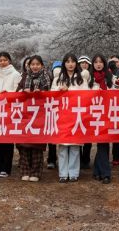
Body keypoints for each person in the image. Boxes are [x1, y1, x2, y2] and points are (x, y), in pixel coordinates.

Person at [51, 53, 90, 182]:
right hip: (62, 115)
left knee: (74, 146)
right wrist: (59, 89)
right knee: (62, 145)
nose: (70, 64)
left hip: (76, 115)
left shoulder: (81, 78)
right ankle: (63, 173)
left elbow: (86, 95)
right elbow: (51, 94)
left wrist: (71, 92)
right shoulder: (58, 78)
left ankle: (73, 173)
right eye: (67, 61)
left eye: (73, 61)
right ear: (64, 63)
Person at [17, 55, 51, 182]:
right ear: (29, 66)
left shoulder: (46, 76)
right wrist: (22, 91)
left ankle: (36, 172)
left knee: (37, 145)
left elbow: (50, 92)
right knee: (24, 144)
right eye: (33, 64)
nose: (35, 66)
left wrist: (41, 93)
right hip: (26, 114)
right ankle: (25, 171)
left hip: (40, 114)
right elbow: (17, 91)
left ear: (42, 65)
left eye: (37, 64)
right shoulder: (25, 77)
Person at [0, 51, 22, 177]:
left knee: (7, 139)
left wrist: (8, 93)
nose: (2, 62)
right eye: (0, 60)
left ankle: (6, 168)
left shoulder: (15, 74)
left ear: (9, 61)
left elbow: (17, 91)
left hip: (9, 109)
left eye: (5, 60)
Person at [90, 54, 113, 184]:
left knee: (104, 143)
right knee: (100, 143)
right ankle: (100, 172)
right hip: (94, 113)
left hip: (108, 112)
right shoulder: (89, 78)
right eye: (96, 62)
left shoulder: (110, 76)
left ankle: (104, 173)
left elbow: (117, 91)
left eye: (100, 62)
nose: (98, 64)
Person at [46, 60, 63, 170]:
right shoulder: (49, 79)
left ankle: (53, 160)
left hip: (61, 110)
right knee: (52, 137)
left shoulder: (65, 79)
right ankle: (52, 159)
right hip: (52, 110)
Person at [78, 55, 93, 169]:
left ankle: (86, 159)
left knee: (88, 136)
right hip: (78, 109)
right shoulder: (75, 77)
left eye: (86, 63)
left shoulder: (92, 77)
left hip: (90, 109)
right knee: (78, 134)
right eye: (82, 62)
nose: (84, 64)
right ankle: (78, 159)